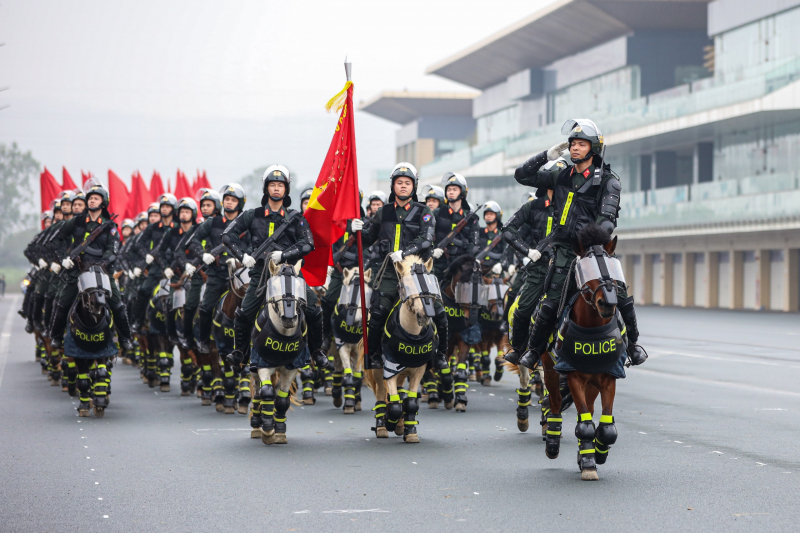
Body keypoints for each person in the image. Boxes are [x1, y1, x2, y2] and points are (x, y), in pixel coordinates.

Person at [512, 118, 646, 370]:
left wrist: (587, 245)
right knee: (550, 302)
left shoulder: (608, 181)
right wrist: (545, 155)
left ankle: (633, 345)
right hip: (562, 250)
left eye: (581, 144)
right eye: (572, 144)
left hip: (594, 251)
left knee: (618, 294)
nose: (574, 148)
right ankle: (532, 350)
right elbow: (522, 175)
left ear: (593, 148)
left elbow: (607, 223)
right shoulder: (559, 175)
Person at [221, 165, 328, 371]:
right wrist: (242, 256)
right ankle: (240, 353)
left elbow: (307, 244)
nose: (276, 189)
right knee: (243, 314)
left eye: (280, 185)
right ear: (266, 189)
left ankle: (316, 352)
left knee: (314, 309)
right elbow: (227, 235)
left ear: (286, 190)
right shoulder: (252, 214)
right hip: (261, 274)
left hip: (289, 273)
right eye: (272, 185)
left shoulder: (296, 217)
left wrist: (285, 255)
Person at [48, 178, 134, 353]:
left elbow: (113, 250)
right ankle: (56, 337)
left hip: (102, 272)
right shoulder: (77, 221)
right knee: (63, 303)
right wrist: (63, 257)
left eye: (96, 198)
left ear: (103, 203)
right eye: (90, 198)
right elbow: (56, 239)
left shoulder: (110, 227)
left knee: (118, 305)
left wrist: (103, 264)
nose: (92, 200)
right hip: (77, 272)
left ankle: (125, 338)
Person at [187, 184, 247, 354]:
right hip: (216, 274)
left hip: (240, 275)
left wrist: (242, 258)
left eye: (233, 200)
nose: (229, 203)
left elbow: (253, 245)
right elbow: (194, 241)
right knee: (205, 308)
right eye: (227, 199)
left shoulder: (246, 223)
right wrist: (202, 255)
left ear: (240, 203)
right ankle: (204, 341)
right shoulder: (213, 222)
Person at [130, 194, 177, 331]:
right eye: (163, 206)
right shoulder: (153, 227)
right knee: (143, 290)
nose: (164, 209)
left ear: (173, 209)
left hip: (176, 266)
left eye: (168, 207)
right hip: (157, 266)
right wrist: (147, 255)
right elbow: (138, 243)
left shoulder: (179, 226)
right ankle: (138, 321)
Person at [431, 172, 479, 280]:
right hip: (439, 263)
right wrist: (432, 251)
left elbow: (474, 244)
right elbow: (427, 236)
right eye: (449, 189)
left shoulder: (472, 218)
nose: (451, 192)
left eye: (454, 189)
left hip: (462, 265)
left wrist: (467, 261)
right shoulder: (437, 214)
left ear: (462, 193)